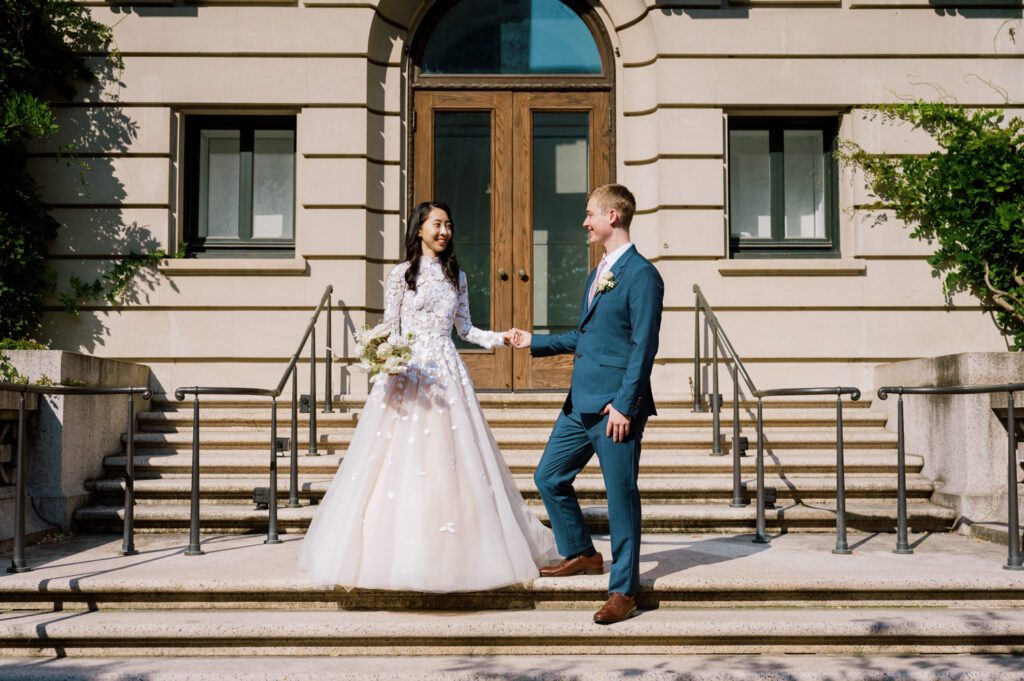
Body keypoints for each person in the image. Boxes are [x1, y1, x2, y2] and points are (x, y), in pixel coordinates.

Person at [298, 201, 557, 591]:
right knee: (396, 461)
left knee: (454, 462)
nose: (444, 231)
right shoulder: (401, 275)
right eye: (437, 224)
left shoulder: (458, 276)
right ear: (419, 228)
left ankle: (457, 551)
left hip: (446, 373)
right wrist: (382, 357)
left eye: (449, 225)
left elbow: (466, 328)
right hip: (407, 373)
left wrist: (501, 338)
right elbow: (389, 326)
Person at [509, 183, 664, 624]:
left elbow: (642, 346)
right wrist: (533, 341)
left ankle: (624, 591)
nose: (584, 222)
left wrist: (625, 404)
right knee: (549, 477)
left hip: (616, 407)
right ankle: (581, 551)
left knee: (621, 496)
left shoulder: (642, 275)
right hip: (579, 403)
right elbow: (586, 335)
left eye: (590, 213)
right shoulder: (598, 272)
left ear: (612, 216)